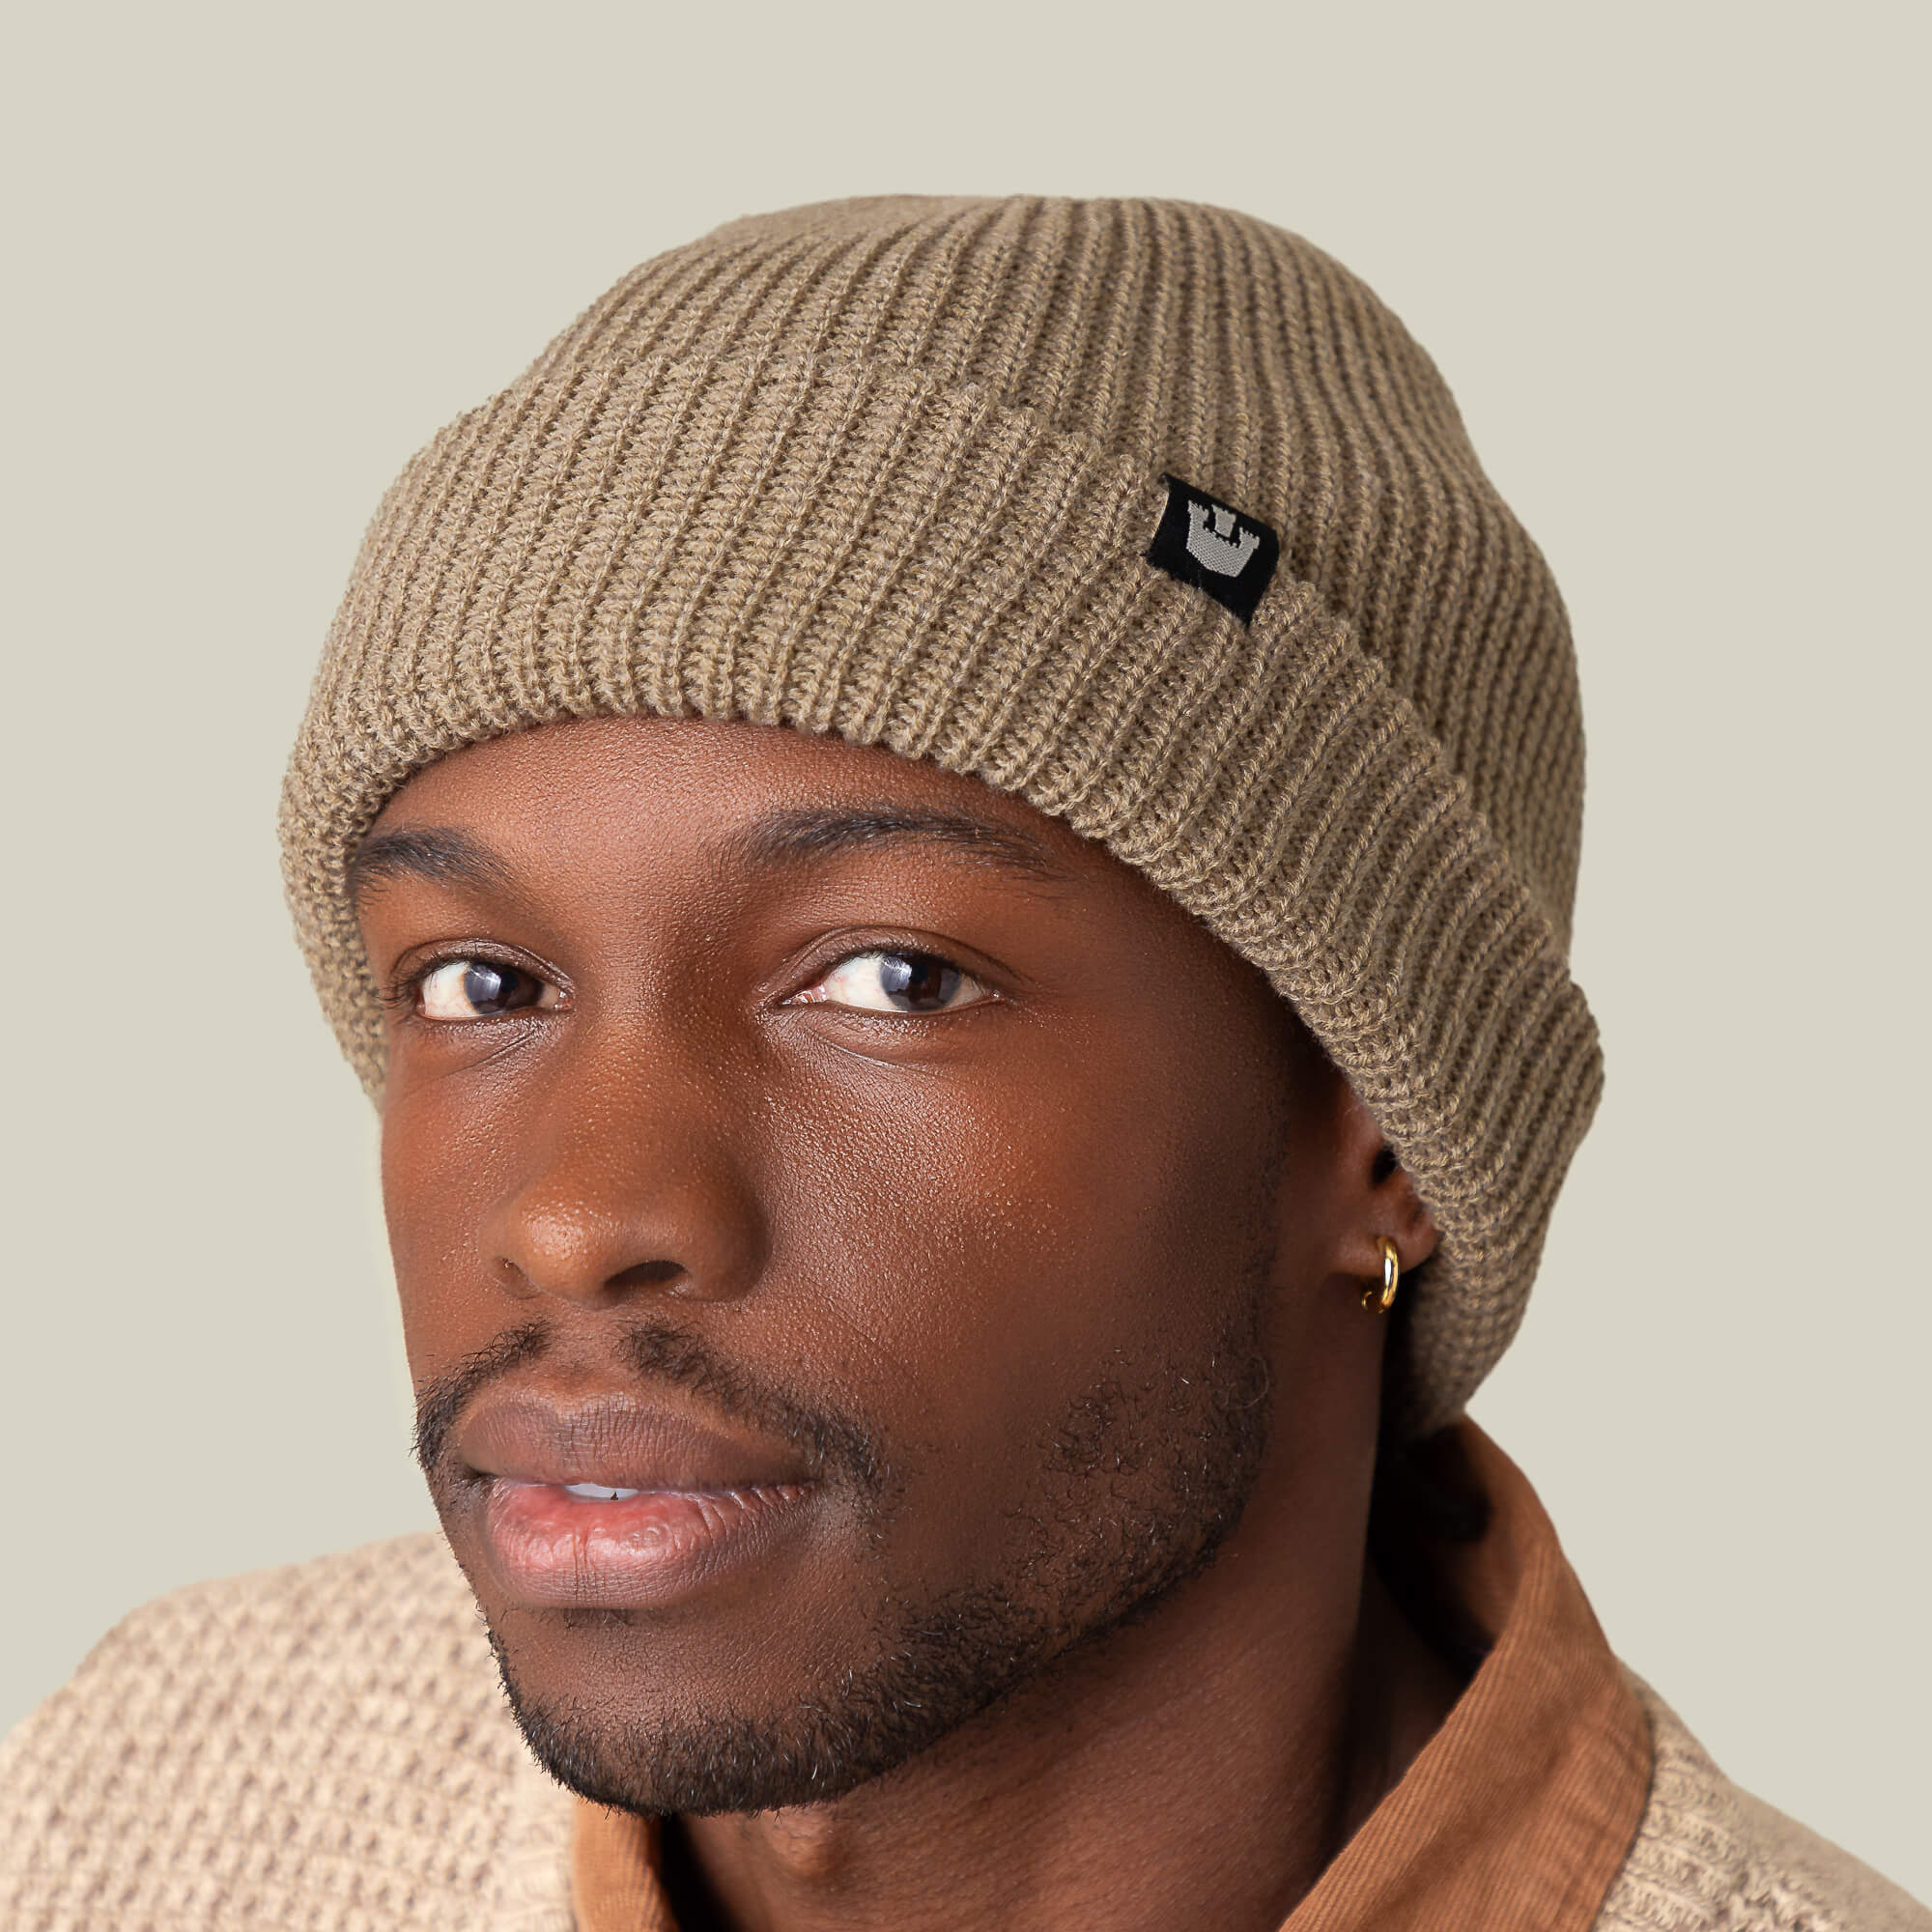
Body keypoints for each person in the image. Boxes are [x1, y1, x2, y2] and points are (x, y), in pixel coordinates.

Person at [2, 196, 1922, 1932]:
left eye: (894, 979)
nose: (579, 1216)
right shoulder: (136, 1794)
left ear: (1382, 1137)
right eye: (481, 983)